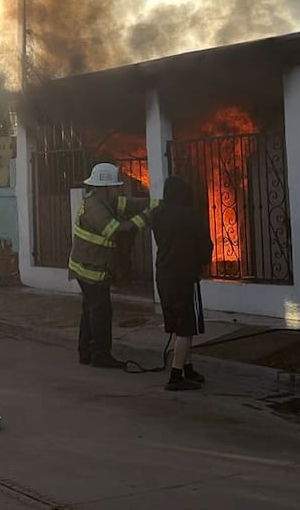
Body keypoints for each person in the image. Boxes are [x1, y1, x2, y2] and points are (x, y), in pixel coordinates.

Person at [69, 162, 155, 369]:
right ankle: (100, 355)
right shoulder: (96, 207)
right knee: (101, 312)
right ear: (105, 187)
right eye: (115, 186)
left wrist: (155, 202)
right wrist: (146, 218)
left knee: (90, 310)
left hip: (88, 266)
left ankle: (86, 352)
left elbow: (130, 203)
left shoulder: (104, 200)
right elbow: (116, 231)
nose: (118, 189)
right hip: (91, 270)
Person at [151, 175, 214, 391]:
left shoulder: (157, 215)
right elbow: (205, 246)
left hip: (164, 276)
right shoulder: (190, 216)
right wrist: (204, 260)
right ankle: (176, 376)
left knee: (179, 326)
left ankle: (188, 368)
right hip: (185, 277)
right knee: (187, 328)